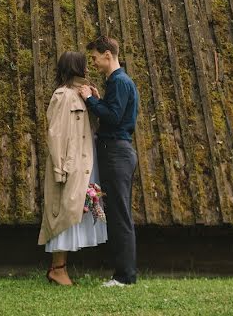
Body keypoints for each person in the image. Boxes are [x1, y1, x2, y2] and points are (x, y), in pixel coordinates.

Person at [38, 51, 108, 286]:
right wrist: (60, 168)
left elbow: (92, 129)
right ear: (75, 68)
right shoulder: (63, 95)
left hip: (84, 164)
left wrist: (94, 102)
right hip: (70, 166)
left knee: (76, 213)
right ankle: (57, 270)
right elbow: (55, 134)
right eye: (84, 66)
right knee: (64, 215)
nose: (88, 70)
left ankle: (60, 268)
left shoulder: (81, 94)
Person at [78, 35, 139, 287]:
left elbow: (113, 118)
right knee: (117, 213)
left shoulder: (119, 81)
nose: (93, 63)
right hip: (116, 152)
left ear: (107, 55)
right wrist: (99, 99)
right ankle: (123, 274)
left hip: (117, 153)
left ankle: (124, 277)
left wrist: (90, 100)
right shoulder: (116, 82)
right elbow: (115, 111)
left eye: (94, 58)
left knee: (120, 215)